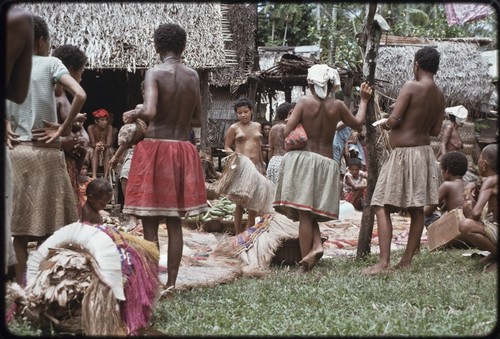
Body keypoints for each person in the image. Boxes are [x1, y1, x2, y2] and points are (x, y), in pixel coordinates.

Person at [122, 23, 208, 292]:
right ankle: (172, 282)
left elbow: (149, 110)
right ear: (183, 47)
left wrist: (134, 113)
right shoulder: (193, 76)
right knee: (174, 221)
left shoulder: (154, 72)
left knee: (149, 220)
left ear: (157, 46)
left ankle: (151, 282)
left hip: (155, 148)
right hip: (181, 147)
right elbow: (197, 120)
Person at [6, 15, 87, 285]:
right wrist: (62, 128)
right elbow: (80, 94)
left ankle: (21, 284)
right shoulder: (52, 63)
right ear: (41, 40)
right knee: (51, 227)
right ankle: (46, 281)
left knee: (19, 228)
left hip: (16, 153)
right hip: (47, 154)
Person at [273, 64, 373, 272]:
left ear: (310, 83)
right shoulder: (337, 106)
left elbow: (287, 131)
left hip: (305, 159)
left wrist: (295, 121)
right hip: (327, 163)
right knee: (309, 212)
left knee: (303, 213)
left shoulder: (304, 102)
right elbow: (358, 122)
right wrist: (363, 100)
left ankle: (305, 262)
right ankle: (317, 245)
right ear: (330, 85)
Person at [362, 46, 445, 276]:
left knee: (380, 204)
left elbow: (395, 120)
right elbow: (436, 129)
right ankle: (406, 260)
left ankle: (384, 262)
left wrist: (387, 122)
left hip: (404, 154)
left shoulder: (411, 86)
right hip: (424, 153)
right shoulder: (439, 95)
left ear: (416, 64)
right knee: (417, 208)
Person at [4, 6, 34, 275]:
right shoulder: (17, 19)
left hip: (17, 148)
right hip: (32, 148)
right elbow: (16, 92)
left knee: (20, 228)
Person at [52, 44, 89, 217]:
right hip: (58, 158)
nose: (81, 79)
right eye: (80, 73)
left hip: (68, 160)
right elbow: (48, 127)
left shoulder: (63, 94)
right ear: (70, 69)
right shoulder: (54, 94)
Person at [224, 97, 266, 234]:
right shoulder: (234, 128)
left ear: (251, 111)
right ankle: (237, 232)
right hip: (241, 169)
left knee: (254, 201)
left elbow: (258, 147)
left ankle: (249, 230)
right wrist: (238, 157)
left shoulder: (257, 126)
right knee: (240, 203)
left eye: (245, 111)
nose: (243, 115)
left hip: (256, 167)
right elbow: (226, 147)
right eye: (239, 113)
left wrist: (261, 164)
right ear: (236, 114)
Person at [459, 144, 497, 273]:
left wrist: (468, 201)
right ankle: (494, 253)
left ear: (484, 164)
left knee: (466, 225)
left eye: (479, 160)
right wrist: (473, 184)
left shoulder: (491, 181)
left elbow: (475, 213)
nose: (478, 163)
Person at [424, 151, 468, 226]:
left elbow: (426, 210)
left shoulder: (447, 185)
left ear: (447, 170)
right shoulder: (468, 184)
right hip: (467, 222)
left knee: (424, 217)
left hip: (454, 225)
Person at [266, 102, 294, 184]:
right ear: (289, 113)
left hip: (273, 160)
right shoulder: (287, 128)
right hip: (285, 160)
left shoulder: (273, 128)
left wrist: (270, 161)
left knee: (272, 188)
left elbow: (270, 148)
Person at [87, 108, 113, 179]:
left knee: (107, 151)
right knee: (95, 149)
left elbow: (109, 143)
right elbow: (92, 144)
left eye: (106, 120)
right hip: (95, 147)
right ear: (96, 121)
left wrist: (103, 145)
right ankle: (94, 175)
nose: (105, 122)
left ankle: (105, 175)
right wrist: (97, 145)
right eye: (102, 120)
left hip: (106, 147)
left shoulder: (109, 127)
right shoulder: (91, 128)